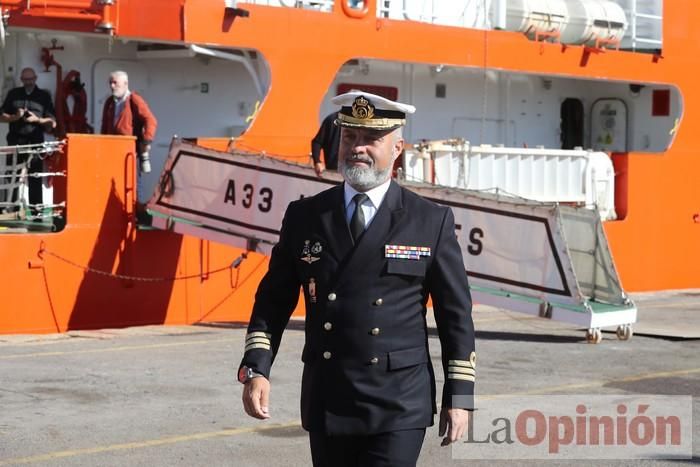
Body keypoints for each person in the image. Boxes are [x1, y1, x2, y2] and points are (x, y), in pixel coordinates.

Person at [238, 91, 475, 466]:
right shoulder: (306, 217)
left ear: (398, 147)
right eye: (350, 137)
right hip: (330, 395)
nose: (357, 148)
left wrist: (459, 396)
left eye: (371, 139)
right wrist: (257, 367)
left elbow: (455, 315)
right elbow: (273, 301)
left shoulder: (429, 220)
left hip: (398, 401)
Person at [0, 67, 57, 214]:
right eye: (25, 80)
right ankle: (10, 210)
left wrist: (37, 119)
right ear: (21, 79)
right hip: (15, 141)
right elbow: (1, 116)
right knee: (12, 175)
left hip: (34, 142)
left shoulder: (44, 96)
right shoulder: (14, 94)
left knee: (35, 177)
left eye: (31, 79)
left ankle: (36, 211)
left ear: (36, 78)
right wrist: (14, 117)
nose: (28, 82)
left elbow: (53, 122)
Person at [100, 70, 157, 174]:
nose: (112, 86)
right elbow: (104, 125)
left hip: (129, 152)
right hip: (112, 150)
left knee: (134, 186)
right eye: (110, 83)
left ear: (125, 83)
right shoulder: (109, 102)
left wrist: (146, 141)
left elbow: (150, 120)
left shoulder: (134, 99)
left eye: (115, 83)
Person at [311, 111, 340, 177]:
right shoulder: (332, 119)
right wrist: (317, 162)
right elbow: (317, 142)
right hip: (333, 172)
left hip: (351, 174)